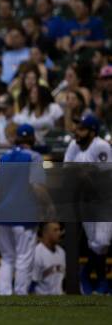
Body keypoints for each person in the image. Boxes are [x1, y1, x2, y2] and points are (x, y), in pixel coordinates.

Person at [63, 114, 112, 295]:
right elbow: (67, 171)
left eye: (82, 129)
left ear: (92, 132)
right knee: (94, 244)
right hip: (86, 202)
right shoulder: (74, 146)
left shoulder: (101, 146)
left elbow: (103, 178)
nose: (77, 132)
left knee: (102, 242)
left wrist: (83, 176)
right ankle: (102, 283)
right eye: (77, 128)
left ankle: (85, 274)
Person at [0, 124, 46, 295]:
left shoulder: (3, 157)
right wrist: (50, 206)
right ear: (32, 139)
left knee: (7, 258)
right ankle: (20, 294)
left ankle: (4, 294)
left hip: (3, 214)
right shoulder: (35, 157)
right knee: (24, 258)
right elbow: (37, 186)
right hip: (24, 214)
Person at [32, 222, 65, 295]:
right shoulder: (37, 253)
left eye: (59, 230)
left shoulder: (62, 252)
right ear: (45, 233)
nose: (59, 233)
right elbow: (32, 283)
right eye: (55, 230)